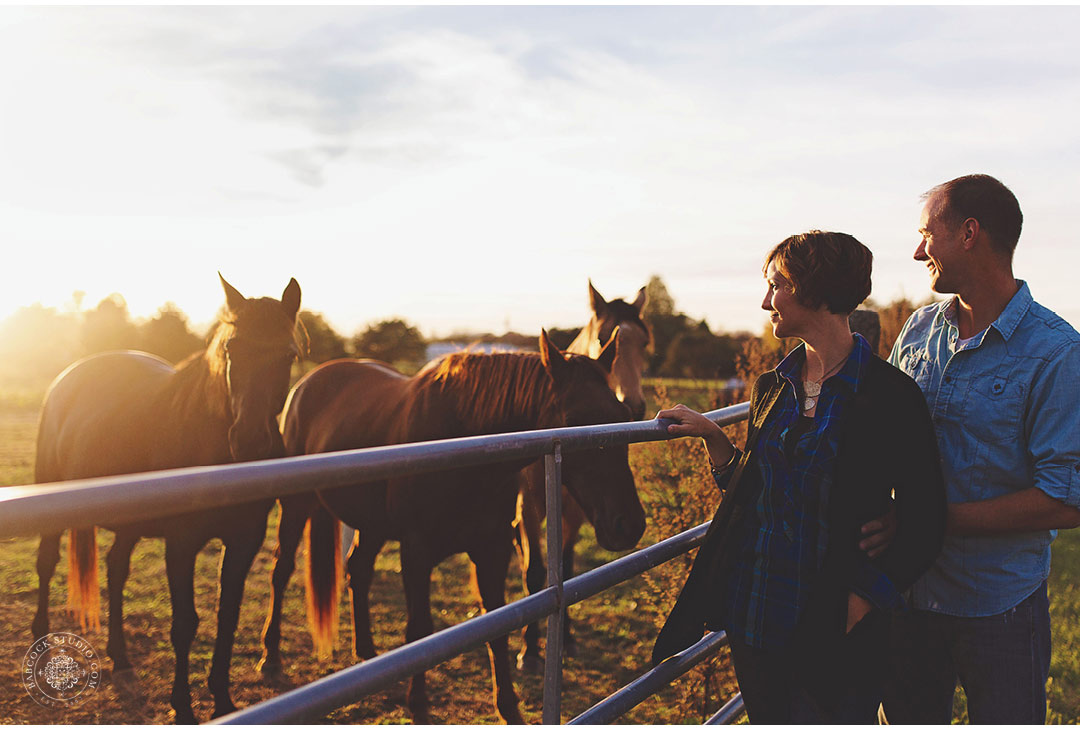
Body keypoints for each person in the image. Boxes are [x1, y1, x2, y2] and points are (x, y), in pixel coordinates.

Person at [651, 230, 946, 723]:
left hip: (835, 632)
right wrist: (714, 438)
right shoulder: (772, 386)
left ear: (815, 288)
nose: (766, 300)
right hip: (755, 619)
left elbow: (926, 519)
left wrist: (859, 602)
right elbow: (761, 493)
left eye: (777, 285)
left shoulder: (892, 396)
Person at [881, 174, 1080, 724]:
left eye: (927, 234)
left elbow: (1067, 500)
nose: (918, 250)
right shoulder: (919, 330)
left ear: (969, 233)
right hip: (908, 596)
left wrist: (930, 520)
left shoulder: (1057, 353)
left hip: (1001, 609)